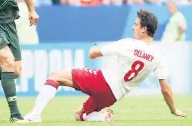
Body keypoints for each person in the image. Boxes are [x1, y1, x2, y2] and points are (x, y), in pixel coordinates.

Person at [21, 10, 186, 123]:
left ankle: (35, 115)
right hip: (113, 96)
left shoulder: (128, 44)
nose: (133, 27)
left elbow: (94, 54)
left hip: (102, 81)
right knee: (80, 115)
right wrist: (173, 109)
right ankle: (101, 117)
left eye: (136, 25)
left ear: (144, 29)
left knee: (55, 75)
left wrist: (93, 49)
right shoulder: (159, 57)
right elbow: (165, 89)